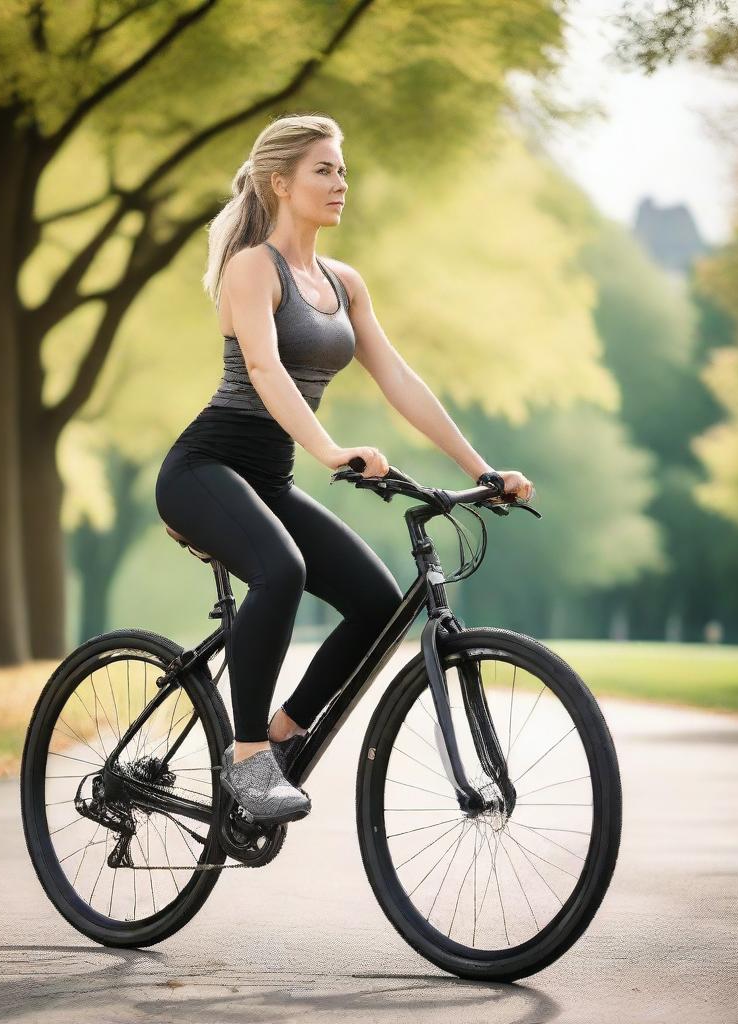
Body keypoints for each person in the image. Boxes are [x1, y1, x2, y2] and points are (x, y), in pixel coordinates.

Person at [154, 113, 534, 826]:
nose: (340, 183)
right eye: (324, 170)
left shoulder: (343, 282)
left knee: (378, 602)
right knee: (284, 570)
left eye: (343, 169)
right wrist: (329, 448)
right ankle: (245, 762)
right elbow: (264, 368)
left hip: (266, 479)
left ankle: (285, 733)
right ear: (280, 183)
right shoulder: (251, 268)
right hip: (204, 467)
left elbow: (399, 379)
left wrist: (483, 469)